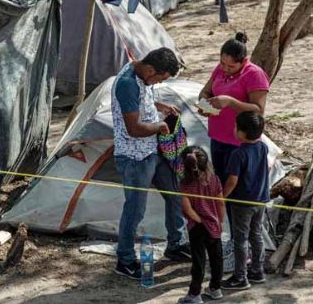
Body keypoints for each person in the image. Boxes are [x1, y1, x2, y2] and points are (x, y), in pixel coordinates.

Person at [112, 48, 191, 279]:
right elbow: (134, 128)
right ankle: (125, 260)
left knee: (174, 193)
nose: (159, 83)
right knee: (135, 210)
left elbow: (141, 101)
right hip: (134, 157)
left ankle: (176, 244)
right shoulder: (127, 84)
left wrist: (160, 106)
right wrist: (161, 126)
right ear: (150, 70)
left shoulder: (142, 74)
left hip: (153, 151)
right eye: (160, 79)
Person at [198, 32, 269, 188]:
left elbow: (258, 110)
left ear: (243, 61)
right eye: (222, 63)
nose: (225, 69)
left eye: (231, 66)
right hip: (217, 138)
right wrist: (204, 105)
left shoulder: (255, 74)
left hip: (241, 142)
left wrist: (230, 102)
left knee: (238, 187)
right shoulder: (220, 69)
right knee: (221, 182)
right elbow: (205, 92)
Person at [221, 112, 270, 290]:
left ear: (242, 132)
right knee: (256, 234)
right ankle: (257, 270)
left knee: (240, 239)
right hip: (260, 200)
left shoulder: (238, 154)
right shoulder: (263, 147)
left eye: (236, 126)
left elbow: (232, 181)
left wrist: (222, 196)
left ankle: (240, 277)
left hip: (242, 203)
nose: (234, 129)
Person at [177, 146, 225, 304]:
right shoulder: (215, 180)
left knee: (199, 261)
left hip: (197, 227)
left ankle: (194, 294)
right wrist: (219, 221)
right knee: (216, 258)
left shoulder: (185, 185)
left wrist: (199, 220)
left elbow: (187, 209)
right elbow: (220, 203)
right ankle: (215, 288)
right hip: (214, 224)